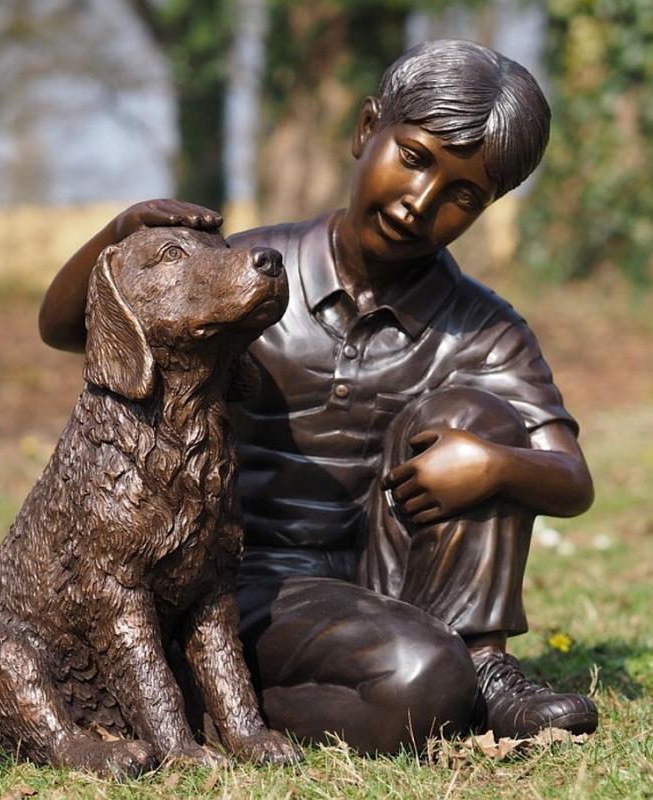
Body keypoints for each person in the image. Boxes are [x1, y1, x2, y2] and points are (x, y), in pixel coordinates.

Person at [39, 40, 597, 753]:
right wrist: (118, 237)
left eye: (462, 195)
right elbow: (65, 329)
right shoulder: (251, 273)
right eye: (414, 157)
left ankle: (482, 666)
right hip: (232, 588)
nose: (419, 202)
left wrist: (493, 465)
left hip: (388, 584)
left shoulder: (482, 328)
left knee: (480, 421)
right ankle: (212, 697)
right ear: (367, 130)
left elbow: (569, 475)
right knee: (422, 686)